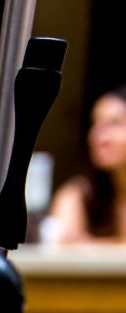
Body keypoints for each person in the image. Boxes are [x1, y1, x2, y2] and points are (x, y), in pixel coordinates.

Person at [49, 85, 126, 243]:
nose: (98, 137)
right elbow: (62, 244)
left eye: (114, 123)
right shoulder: (79, 194)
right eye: (95, 124)